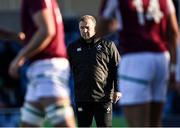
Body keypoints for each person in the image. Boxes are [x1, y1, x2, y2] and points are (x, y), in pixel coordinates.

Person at [98, 0, 179, 127]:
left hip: (135, 59)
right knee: (155, 123)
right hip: (162, 58)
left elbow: (103, 25)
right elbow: (173, 32)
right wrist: (174, 68)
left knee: (138, 124)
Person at [0, 0, 76, 127]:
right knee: (28, 124)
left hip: (47, 69)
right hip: (40, 70)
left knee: (63, 123)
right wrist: (14, 37)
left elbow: (47, 31)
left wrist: (20, 57)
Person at [67, 15, 121, 127]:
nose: (84, 30)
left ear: (95, 28)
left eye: (87, 27)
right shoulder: (72, 47)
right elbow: (66, 70)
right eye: (82, 28)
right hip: (82, 98)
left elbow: (116, 68)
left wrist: (117, 89)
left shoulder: (108, 45)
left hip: (104, 97)